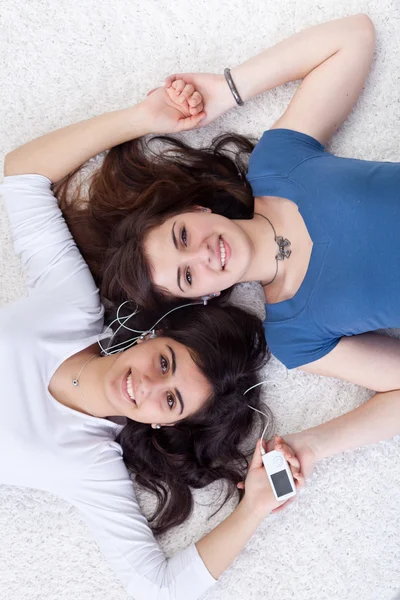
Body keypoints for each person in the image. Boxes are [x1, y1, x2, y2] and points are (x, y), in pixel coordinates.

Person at [0, 144, 306, 599]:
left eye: (169, 400)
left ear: (163, 423)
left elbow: (157, 588)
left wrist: (254, 508)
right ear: (152, 336)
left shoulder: (89, 466)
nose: (145, 385)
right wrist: (144, 112)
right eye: (165, 363)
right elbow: (22, 177)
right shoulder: (72, 306)